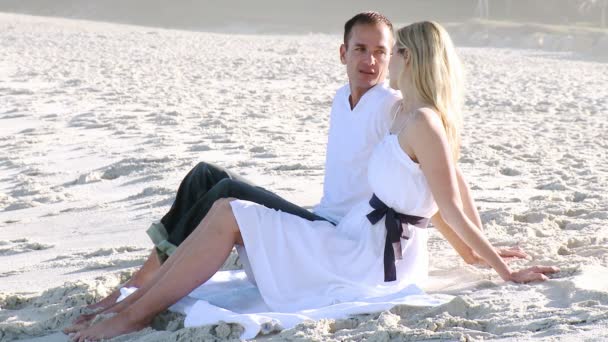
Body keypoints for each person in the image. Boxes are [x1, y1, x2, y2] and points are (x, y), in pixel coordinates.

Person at [69, 20, 559, 341]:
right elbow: (439, 181)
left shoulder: (399, 108)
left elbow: (444, 188)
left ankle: (133, 305)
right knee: (207, 179)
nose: (373, 61)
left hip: (348, 238)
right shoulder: (361, 103)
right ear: (343, 52)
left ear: (403, 59)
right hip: (334, 223)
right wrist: (480, 254)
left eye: (386, 52)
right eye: (361, 50)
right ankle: (138, 286)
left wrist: (488, 258)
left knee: (224, 199)